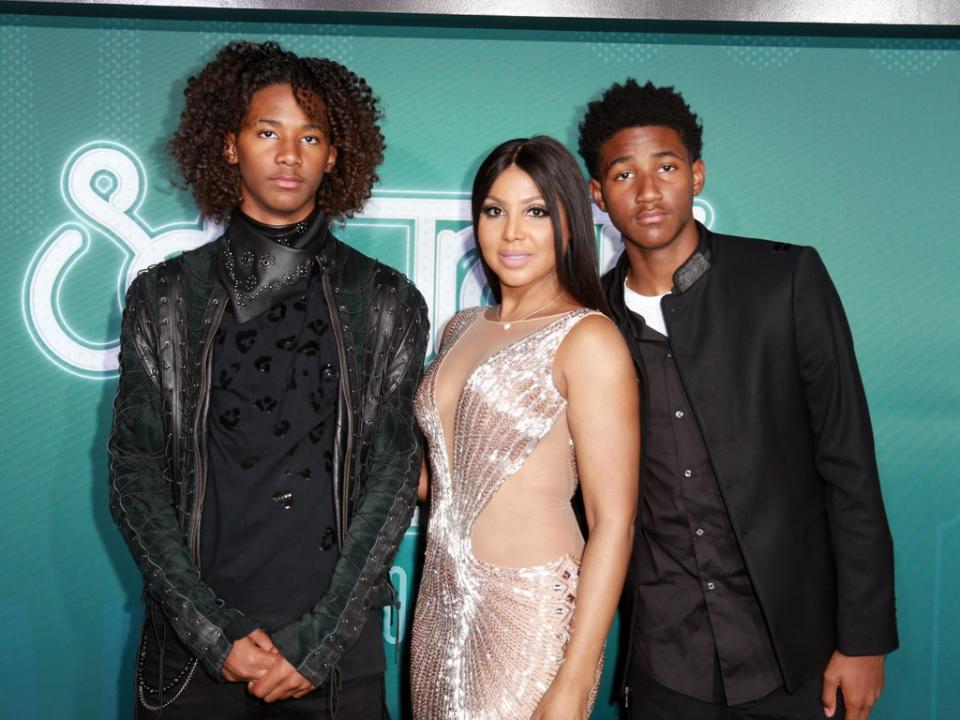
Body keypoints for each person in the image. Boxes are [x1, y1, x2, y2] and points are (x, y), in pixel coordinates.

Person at [108, 41, 428, 718]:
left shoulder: (386, 301)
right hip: (196, 660)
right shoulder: (163, 297)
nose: (289, 154)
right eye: (267, 132)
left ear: (335, 155)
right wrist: (209, 632)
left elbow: (393, 480)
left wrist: (319, 642)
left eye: (310, 136)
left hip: (334, 664)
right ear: (228, 146)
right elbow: (135, 473)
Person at [578, 79, 898, 720]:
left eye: (665, 167)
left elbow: (849, 465)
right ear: (597, 195)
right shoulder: (589, 325)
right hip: (666, 664)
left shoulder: (785, 280)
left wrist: (863, 642)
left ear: (696, 175)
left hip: (795, 657)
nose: (647, 191)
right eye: (623, 174)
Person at [410, 135, 639, 719]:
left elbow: (613, 522)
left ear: (568, 224)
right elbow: (442, 479)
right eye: (495, 211)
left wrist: (575, 676)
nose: (511, 232)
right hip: (440, 605)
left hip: (530, 615)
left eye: (535, 211)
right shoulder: (459, 329)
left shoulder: (588, 338)